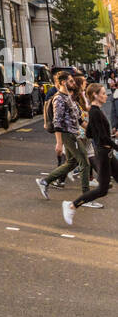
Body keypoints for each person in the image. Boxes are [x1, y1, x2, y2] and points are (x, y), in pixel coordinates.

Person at [62, 83, 118, 226]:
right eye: (103, 93)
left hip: (106, 151)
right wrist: (114, 144)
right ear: (95, 95)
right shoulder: (95, 112)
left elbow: (89, 133)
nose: (106, 96)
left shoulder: (95, 111)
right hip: (104, 153)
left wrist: (109, 135)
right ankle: (72, 205)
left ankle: (72, 205)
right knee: (102, 189)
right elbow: (103, 138)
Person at [36, 71, 89, 198]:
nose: (73, 83)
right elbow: (57, 122)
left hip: (73, 133)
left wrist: (93, 130)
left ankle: (45, 181)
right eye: (70, 81)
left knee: (71, 163)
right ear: (63, 83)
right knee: (85, 162)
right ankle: (86, 197)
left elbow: (79, 120)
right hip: (68, 135)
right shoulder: (59, 98)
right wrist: (59, 143)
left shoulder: (69, 98)